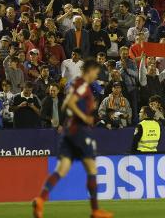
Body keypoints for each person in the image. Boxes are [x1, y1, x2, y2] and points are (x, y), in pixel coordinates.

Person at [33, 59, 113, 218]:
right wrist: (84, 116)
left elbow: (65, 106)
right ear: (89, 70)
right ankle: (95, 210)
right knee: (92, 169)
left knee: (61, 169)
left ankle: (40, 200)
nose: (96, 76)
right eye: (96, 73)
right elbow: (70, 102)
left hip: (68, 131)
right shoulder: (82, 84)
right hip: (80, 132)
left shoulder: (74, 84)